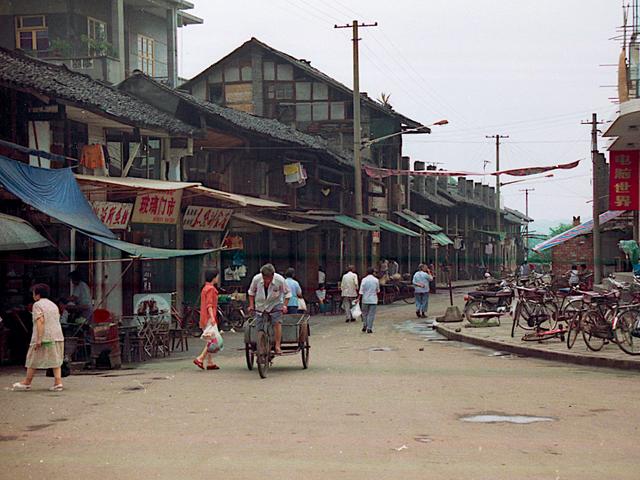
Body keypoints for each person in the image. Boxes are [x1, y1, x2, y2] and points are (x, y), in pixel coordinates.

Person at [12, 284, 65, 392]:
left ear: (37, 295)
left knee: (32, 358)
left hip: (44, 336)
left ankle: (27, 382)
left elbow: (40, 321)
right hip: (57, 336)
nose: (32, 295)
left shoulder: (37, 305)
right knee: (56, 359)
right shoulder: (53, 305)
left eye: (33, 293)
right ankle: (58, 382)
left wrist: (39, 339)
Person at [248, 263, 291, 354]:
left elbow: (287, 293)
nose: (266, 281)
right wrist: (251, 305)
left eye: (269, 278)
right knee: (259, 326)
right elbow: (251, 292)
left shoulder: (280, 280)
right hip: (260, 304)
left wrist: (284, 306)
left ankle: (277, 346)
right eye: (264, 278)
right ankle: (261, 345)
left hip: (275, 304)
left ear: (273, 275)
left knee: (277, 322)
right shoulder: (256, 279)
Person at [194, 269, 220, 371]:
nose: (218, 278)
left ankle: (209, 362)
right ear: (214, 278)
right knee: (212, 339)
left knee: (210, 339)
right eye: (217, 276)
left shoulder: (205, 288)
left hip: (205, 317)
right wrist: (212, 318)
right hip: (210, 317)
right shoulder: (211, 289)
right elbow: (209, 305)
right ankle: (200, 358)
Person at [358, 267, 380, 334]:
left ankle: (365, 325)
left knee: (364, 313)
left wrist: (358, 298)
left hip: (365, 299)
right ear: (373, 272)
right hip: (373, 299)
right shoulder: (376, 280)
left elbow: (361, 291)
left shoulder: (364, 280)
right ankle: (369, 328)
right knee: (371, 314)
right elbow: (378, 290)